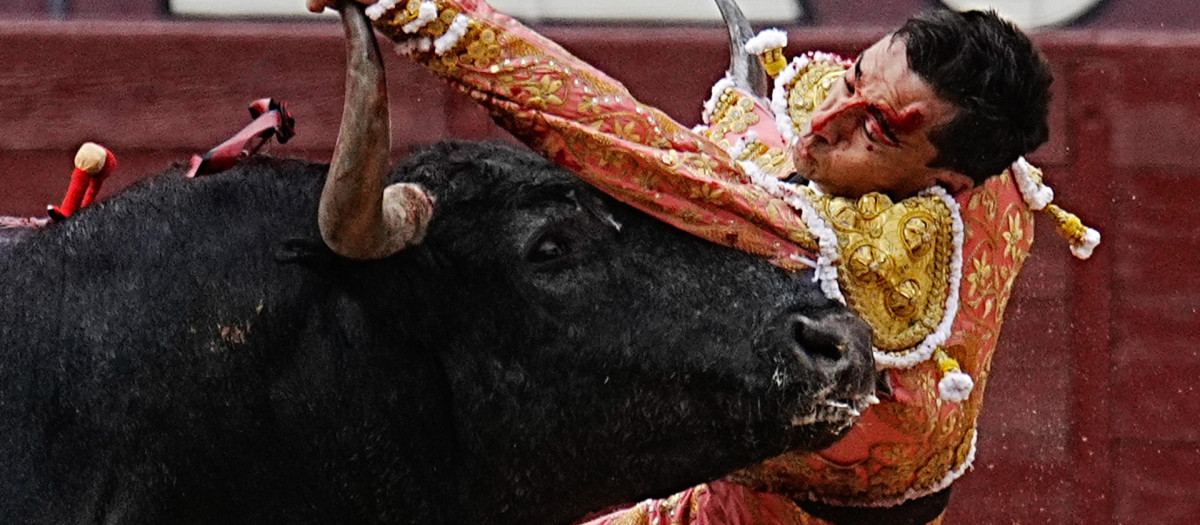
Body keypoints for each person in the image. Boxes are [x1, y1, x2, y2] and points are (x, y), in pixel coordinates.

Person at [310, 1, 1099, 522]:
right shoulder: (999, 172)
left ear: (949, 182)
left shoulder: (814, 245)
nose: (824, 119)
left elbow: (604, 129)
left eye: (878, 129)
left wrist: (415, 7)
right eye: (854, 76)